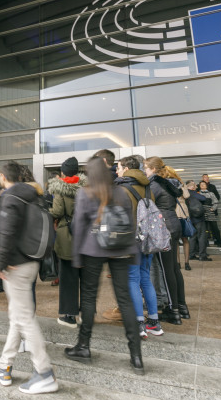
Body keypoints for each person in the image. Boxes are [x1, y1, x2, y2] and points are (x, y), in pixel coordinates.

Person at [65, 157, 144, 375]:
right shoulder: (120, 192)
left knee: (89, 298)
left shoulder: (85, 193)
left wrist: (76, 257)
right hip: (121, 249)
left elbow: (79, 227)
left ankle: (83, 346)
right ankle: (136, 356)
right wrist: (133, 252)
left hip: (93, 249)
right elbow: (130, 222)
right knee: (125, 299)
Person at [0, 162, 59, 394]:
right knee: (18, 316)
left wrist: (1, 263)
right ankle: (4, 365)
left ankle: (44, 372)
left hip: (16, 265)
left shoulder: (11, 197)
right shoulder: (34, 196)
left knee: (25, 319)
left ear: (3, 177)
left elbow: (6, 231)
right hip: (32, 262)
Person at [114, 156, 164, 339]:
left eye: (118, 168)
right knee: (145, 278)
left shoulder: (121, 189)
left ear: (126, 169)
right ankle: (154, 322)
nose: (117, 171)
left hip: (131, 241)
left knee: (132, 279)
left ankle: (138, 323)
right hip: (147, 240)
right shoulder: (148, 187)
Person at [143, 157, 186, 325]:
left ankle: (172, 310)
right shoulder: (169, 183)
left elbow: (146, 204)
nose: (145, 171)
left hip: (163, 229)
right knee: (174, 268)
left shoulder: (154, 184)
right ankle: (181, 306)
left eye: (146, 168)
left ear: (154, 169)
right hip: (174, 224)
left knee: (167, 270)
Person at [48, 156, 85, 328]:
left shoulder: (60, 188)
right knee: (86, 277)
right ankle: (85, 314)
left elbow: (57, 211)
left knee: (68, 277)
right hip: (85, 235)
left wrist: (48, 211)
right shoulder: (87, 187)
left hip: (68, 236)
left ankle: (70, 316)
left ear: (63, 172)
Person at [185, 181, 210, 262]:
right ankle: (202, 255)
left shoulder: (184, 194)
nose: (196, 186)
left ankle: (191, 255)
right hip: (198, 218)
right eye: (195, 185)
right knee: (202, 236)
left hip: (189, 218)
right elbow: (203, 198)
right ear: (192, 187)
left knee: (192, 237)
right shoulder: (193, 193)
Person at [198, 180, 221, 247]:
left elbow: (216, 202)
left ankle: (218, 242)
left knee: (214, 227)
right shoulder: (198, 193)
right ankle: (205, 243)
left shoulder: (211, 193)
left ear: (206, 185)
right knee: (204, 228)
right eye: (201, 184)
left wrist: (213, 208)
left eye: (204, 184)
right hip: (202, 212)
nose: (202, 185)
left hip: (210, 211)